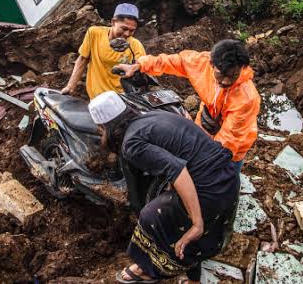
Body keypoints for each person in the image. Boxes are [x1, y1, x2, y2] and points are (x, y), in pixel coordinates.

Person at [88, 91, 239, 284]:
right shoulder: (151, 116)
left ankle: (148, 269)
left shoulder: (131, 144)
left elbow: (178, 170)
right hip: (228, 177)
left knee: (150, 215)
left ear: (105, 128)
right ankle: (194, 278)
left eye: (100, 129)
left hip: (211, 189)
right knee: (171, 208)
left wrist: (196, 223)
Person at [114, 39, 260, 164]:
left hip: (233, 146)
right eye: (221, 75)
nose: (226, 81)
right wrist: (140, 65)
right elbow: (175, 61)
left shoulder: (246, 98)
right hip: (205, 124)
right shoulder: (201, 63)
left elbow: (229, 142)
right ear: (211, 64)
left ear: (242, 68)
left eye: (233, 75)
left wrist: (205, 161)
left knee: (224, 175)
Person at [61, 3, 146, 99]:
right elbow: (82, 60)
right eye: (124, 28)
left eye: (132, 31)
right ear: (113, 22)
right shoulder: (94, 33)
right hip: (96, 97)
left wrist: (136, 68)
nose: (127, 34)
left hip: (121, 98)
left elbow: (143, 65)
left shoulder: (135, 45)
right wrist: (70, 86)